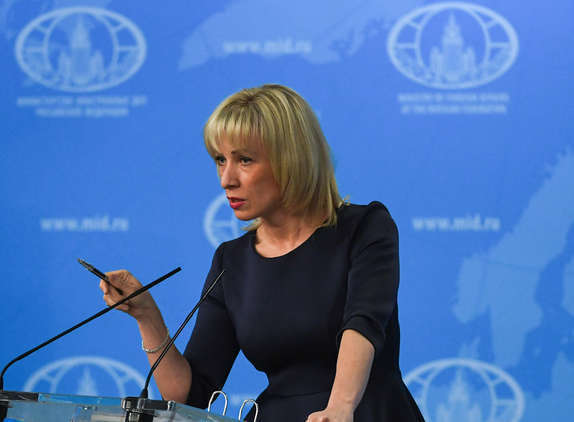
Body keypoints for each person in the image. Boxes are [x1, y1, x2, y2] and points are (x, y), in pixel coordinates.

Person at [99, 84, 425, 422]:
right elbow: (190, 396)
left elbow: (363, 323)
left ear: (292, 159)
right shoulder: (231, 261)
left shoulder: (365, 227)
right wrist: (147, 316)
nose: (226, 179)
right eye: (220, 160)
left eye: (244, 160)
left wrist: (341, 406)